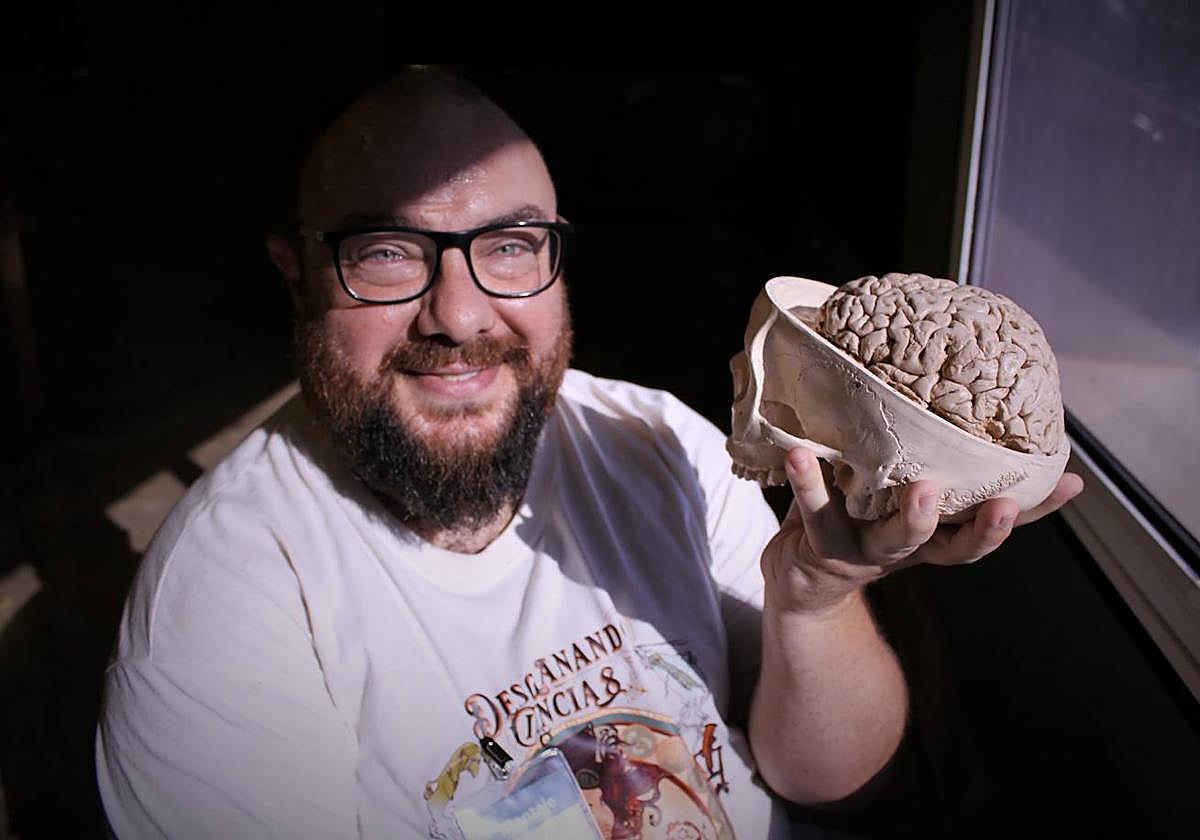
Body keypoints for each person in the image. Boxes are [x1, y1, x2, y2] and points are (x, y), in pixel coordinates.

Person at [95, 70, 1082, 839]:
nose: (459, 315)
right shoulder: (229, 594)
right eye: (387, 252)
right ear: (298, 275)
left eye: (510, 246)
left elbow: (833, 783)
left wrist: (817, 596)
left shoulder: (657, 439)